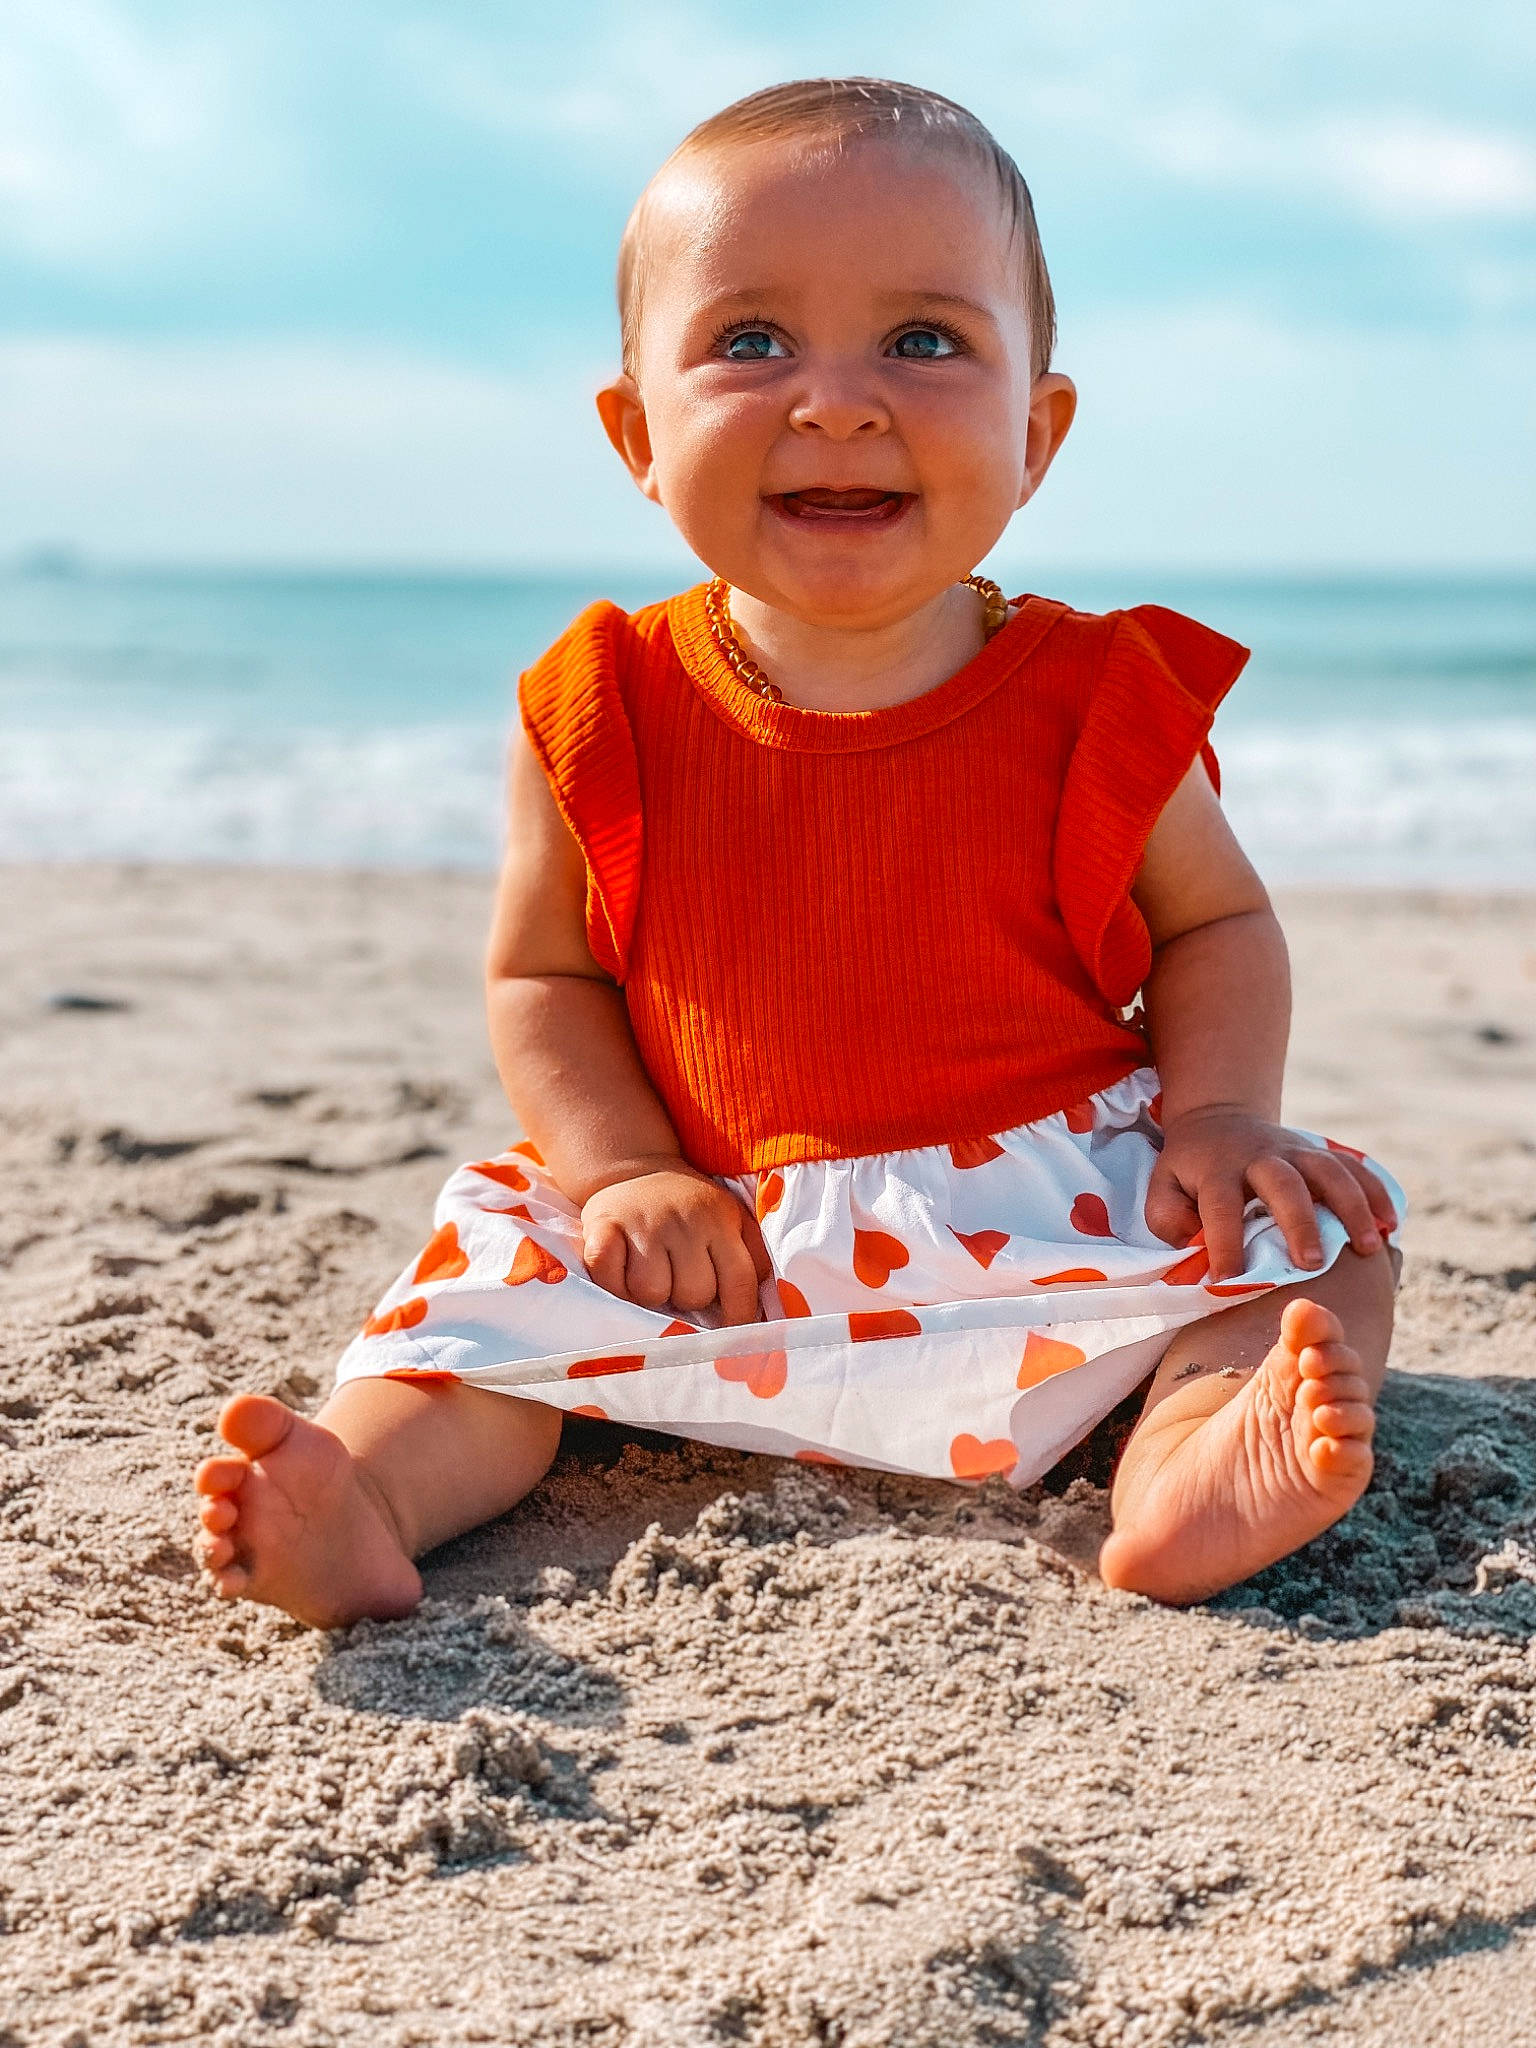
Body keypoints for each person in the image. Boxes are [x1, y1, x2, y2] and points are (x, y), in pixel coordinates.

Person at [193, 77, 1402, 1629]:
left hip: (1032, 1197)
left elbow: (1214, 925)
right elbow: (545, 971)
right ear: (637, 431)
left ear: (1037, 434)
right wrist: (623, 1167)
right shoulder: (602, 700)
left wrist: (1224, 1112)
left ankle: (1186, 1453)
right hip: (716, 1234)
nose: (836, 401)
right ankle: (363, 1496)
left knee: (1320, 1241)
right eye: (751, 343)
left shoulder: (1096, 696)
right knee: (478, 1316)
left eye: (923, 339)